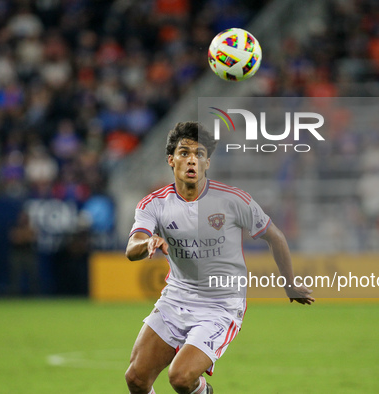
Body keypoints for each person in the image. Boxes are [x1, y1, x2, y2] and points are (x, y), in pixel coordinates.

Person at [124, 121, 314, 394]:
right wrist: (147, 243)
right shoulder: (154, 204)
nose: (192, 160)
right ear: (171, 160)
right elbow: (132, 248)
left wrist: (290, 283)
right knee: (136, 380)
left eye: (199, 154)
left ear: (207, 163)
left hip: (221, 304)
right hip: (177, 297)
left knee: (180, 377)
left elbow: (275, 237)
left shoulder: (233, 200)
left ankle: (204, 391)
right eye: (184, 153)